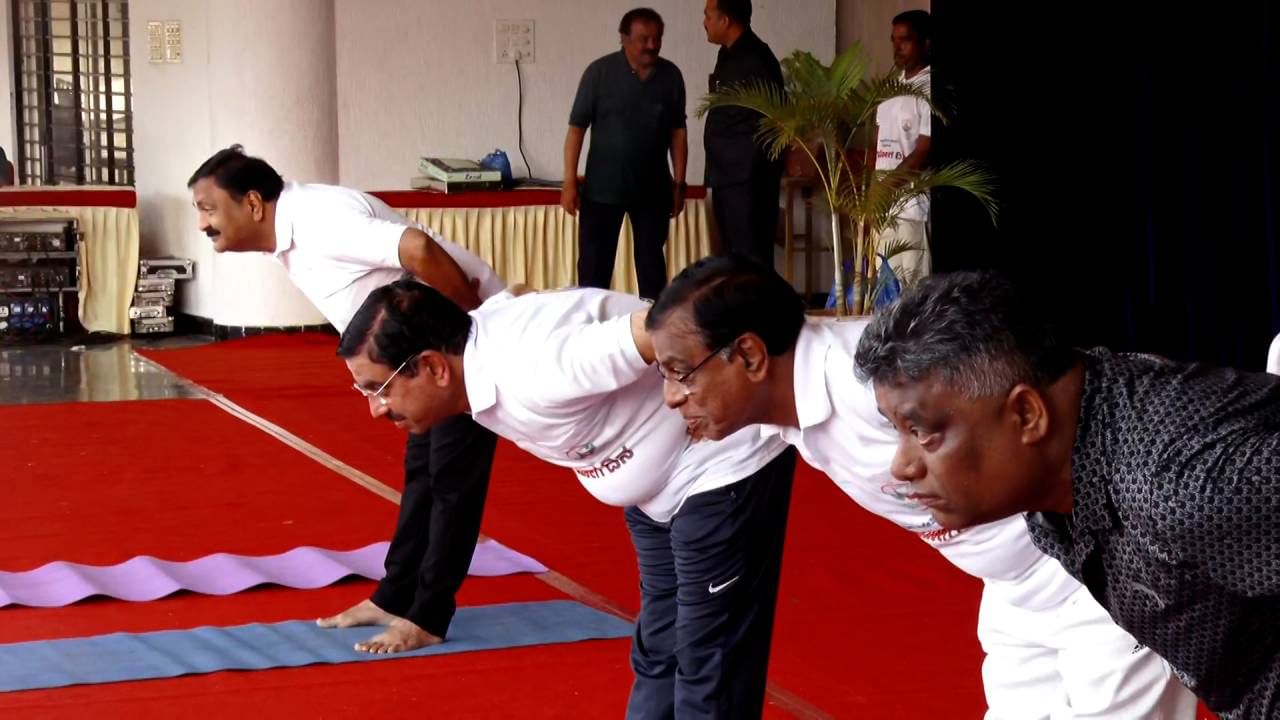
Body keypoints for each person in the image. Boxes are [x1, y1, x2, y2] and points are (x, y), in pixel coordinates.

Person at [645, 255, 1198, 719]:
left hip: (1102, 580)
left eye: (680, 371)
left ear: (748, 355)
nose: (672, 396)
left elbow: (1063, 396)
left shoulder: (873, 381)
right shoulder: (778, 417)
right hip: (1014, 589)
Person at [340, 279, 796, 718]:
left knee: (706, 661)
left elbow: (667, 327)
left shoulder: (538, 368)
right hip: (655, 492)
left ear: (434, 367)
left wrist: (781, 336)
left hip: (722, 464)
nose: (376, 409)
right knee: (659, 649)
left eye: (378, 389)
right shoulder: (478, 358)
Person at [855, 270, 1280, 718]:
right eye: (897, 431)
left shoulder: (1176, 488)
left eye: (923, 433)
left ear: (1026, 414)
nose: (900, 467)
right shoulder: (1060, 470)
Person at [187, 145, 503, 654]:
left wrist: (474, 328)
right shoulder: (292, 228)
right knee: (423, 474)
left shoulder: (317, 219)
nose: (202, 223)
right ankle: (395, 596)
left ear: (251, 203)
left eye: (207, 208)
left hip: (455, 354)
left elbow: (417, 249)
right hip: (418, 360)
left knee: (451, 481)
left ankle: (428, 615)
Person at [562, 7, 688, 300]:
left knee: (652, 270)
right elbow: (576, 129)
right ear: (624, 39)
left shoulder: (671, 76)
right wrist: (569, 181)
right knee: (594, 270)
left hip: (653, 191)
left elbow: (678, 133)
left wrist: (679, 183)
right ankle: (590, 330)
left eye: (657, 38)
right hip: (601, 190)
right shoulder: (598, 73)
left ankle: (653, 332)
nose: (652, 45)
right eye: (644, 39)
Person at [701, 0, 784, 266]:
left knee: (752, 256)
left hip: (749, 180)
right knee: (732, 256)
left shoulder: (756, 57)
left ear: (725, 20)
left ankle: (758, 308)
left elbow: (773, 117)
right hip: (726, 175)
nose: (704, 22)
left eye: (708, 15)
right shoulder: (727, 54)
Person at [873, 9, 933, 279]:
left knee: (911, 292)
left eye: (905, 40)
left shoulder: (931, 88)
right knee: (884, 295)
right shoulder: (889, 90)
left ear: (925, 43)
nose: (897, 47)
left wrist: (885, 189)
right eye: (893, 40)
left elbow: (923, 151)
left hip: (911, 211)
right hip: (881, 210)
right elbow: (877, 148)